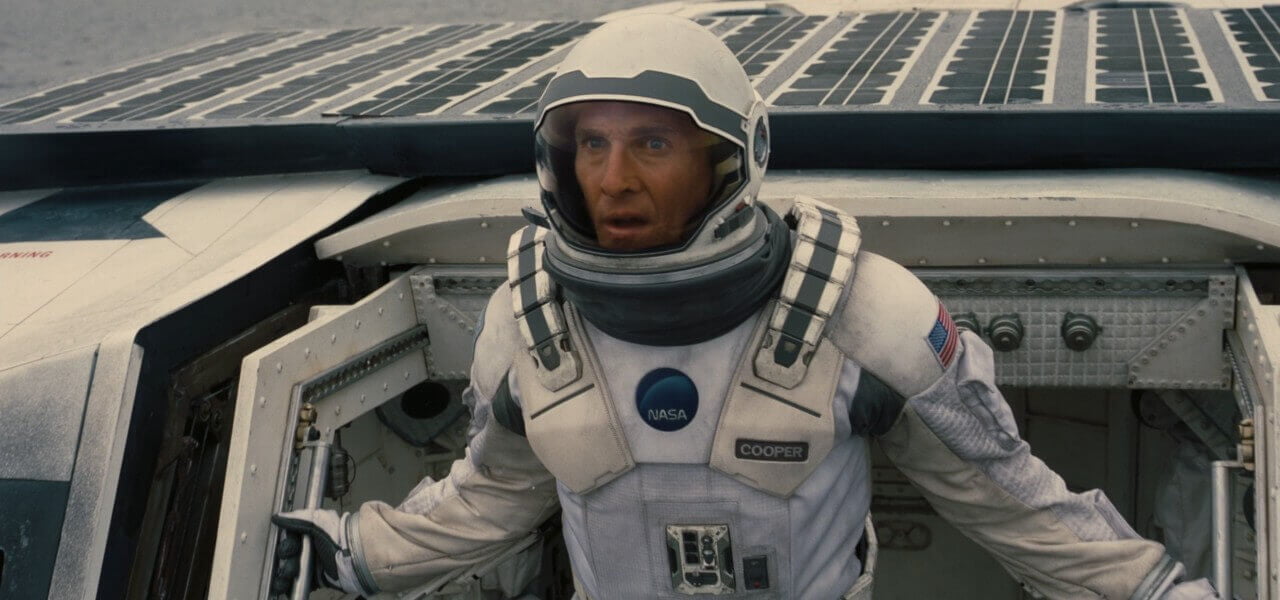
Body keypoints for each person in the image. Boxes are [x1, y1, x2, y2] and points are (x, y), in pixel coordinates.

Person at [273, 14, 1218, 599]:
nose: (613, 179)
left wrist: (1155, 591)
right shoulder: (527, 323)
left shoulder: (864, 313)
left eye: (652, 145)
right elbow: (492, 496)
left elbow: (1012, 503)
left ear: (730, 159)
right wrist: (358, 555)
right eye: (591, 146)